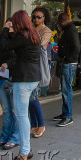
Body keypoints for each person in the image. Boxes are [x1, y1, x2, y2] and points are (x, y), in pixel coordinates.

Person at [2, 10, 41, 160]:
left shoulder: (22, 36)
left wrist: (5, 29)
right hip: (33, 77)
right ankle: (25, 150)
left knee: (21, 116)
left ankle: (25, 151)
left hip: (23, 79)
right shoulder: (32, 34)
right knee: (22, 115)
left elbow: (4, 46)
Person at [0, 19, 20, 151]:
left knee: (14, 110)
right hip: (1, 78)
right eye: (7, 26)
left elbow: (19, 56)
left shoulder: (18, 39)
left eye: (11, 26)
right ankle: (4, 136)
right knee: (6, 111)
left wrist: (8, 64)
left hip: (12, 79)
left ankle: (15, 137)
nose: (9, 28)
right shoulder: (3, 39)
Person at [53, 12, 80, 127]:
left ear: (63, 22)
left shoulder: (71, 30)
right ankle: (65, 113)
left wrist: (68, 60)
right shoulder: (68, 30)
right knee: (65, 89)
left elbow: (76, 47)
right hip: (67, 62)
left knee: (66, 89)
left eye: (60, 23)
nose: (59, 26)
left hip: (69, 63)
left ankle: (68, 115)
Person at [29, 7, 51, 138]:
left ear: (44, 18)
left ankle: (41, 124)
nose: (36, 19)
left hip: (38, 65)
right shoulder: (30, 28)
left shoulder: (46, 30)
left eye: (39, 17)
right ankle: (34, 124)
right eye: (34, 16)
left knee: (33, 96)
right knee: (29, 97)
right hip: (28, 65)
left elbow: (40, 45)